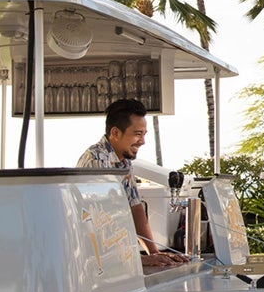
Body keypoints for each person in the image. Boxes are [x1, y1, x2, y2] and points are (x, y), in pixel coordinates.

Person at [78, 98, 185, 268]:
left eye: (144, 134)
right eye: (137, 134)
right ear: (115, 133)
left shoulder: (124, 161)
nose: (142, 141)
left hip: (117, 259)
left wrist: (153, 252)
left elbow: (135, 207)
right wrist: (137, 260)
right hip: (97, 264)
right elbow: (99, 222)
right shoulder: (96, 161)